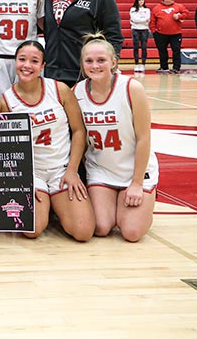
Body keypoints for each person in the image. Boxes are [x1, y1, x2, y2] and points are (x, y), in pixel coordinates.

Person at [2, 41, 94, 241]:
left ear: (43, 66)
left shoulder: (59, 89)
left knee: (83, 232)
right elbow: (3, 148)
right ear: (15, 62)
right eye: (22, 59)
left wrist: (72, 171)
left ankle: (57, 204)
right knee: (32, 230)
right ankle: (49, 205)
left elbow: (79, 131)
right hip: (31, 172)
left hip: (61, 170)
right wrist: (20, 179)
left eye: (34, 61)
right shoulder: (6, 100)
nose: (27, 65)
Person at [74, 34, 158, 242]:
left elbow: (144, 138)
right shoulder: (77, 92)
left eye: (101, 60)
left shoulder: (131, 88)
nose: (95, 66)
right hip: (102, 170)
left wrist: (136, 183)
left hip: (135, 170)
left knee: (131, 232)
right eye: (89, 61)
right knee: (101, 227)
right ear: (82, 64)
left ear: (113, 62)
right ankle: (119, 201)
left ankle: (148, 194)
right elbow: (79, 138)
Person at [150, 0, 188, 74]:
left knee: (176, 50)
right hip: (161, 34)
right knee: (162, 50)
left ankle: (176, 67)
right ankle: (164, 66)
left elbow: (186, 13)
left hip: (176, 33)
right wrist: (154, 31)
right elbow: (152, 21)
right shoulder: (156, 8)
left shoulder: (178, 6)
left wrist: (179, 16)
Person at [129, 0, 151, 74]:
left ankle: (143, 64)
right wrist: (144, 19)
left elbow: (148, 19)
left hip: (144, 29)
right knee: (136, 47)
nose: (141, 2)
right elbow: (134, 19)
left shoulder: (147, 10)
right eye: (139, 0)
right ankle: (136, 63)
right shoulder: (133, 9)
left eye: (142, 0)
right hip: (135, 29)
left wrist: (142, 20)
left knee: (144, 47)